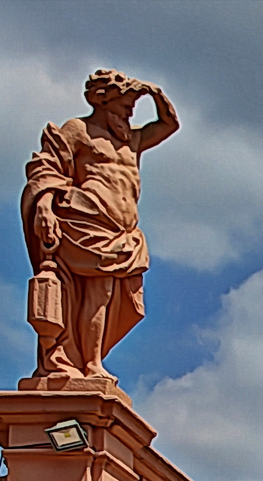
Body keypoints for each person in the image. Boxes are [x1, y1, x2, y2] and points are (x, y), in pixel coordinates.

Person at [23, 69, 179, 381]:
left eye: (132, 108)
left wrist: (155, 93)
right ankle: (89, 363)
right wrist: (44, 207)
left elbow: (169, 124)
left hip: (122, 234)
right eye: (124, 106)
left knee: (108, 298)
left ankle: (91, 360)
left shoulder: (132, 141)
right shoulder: (78, 130)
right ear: (103, 100)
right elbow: (47, 167)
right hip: (87, 225)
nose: (129, 112)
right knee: (94, 294)